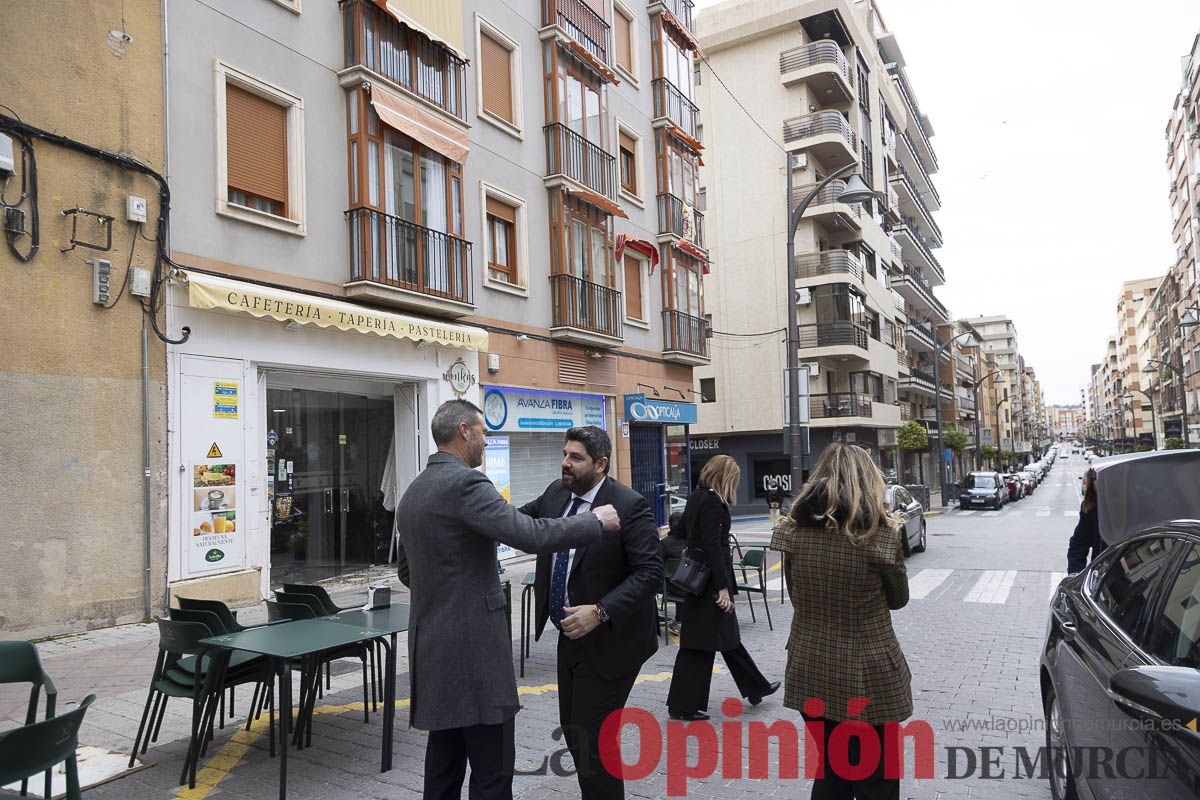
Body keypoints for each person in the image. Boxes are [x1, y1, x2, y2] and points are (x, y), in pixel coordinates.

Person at [395, 401, 621, 800]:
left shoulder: (414, 490)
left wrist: (449, 592)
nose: (486, 441)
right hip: (475, 655)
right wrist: (593, 522)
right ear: (464, 431)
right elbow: (529, 534)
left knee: (443, 768)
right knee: (492, 771)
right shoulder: (467, 484)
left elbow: (407, 572)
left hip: (432, 651)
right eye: (483, 432)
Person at [521, 426, 662, 800]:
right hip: (571, 635)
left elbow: (651, 574)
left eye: (575, 458)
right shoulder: (556, 493)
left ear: (600, 464)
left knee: (593, 738)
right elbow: (519, 523)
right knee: (575, 730)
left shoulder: (630, 506)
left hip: (613, 640)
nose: (565, 463)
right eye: (565, 454)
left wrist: (600, 612)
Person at [771, 443, 911, 800]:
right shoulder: (880, 537)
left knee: (831, 769)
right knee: (875, 777)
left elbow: (797, 595)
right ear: (870, 482)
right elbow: (898, 600)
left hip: (810, 666)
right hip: (868, 674)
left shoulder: (793, 533)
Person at [666, 455, 779, 721]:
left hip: (697, 579)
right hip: (710, 583)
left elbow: (683, 531)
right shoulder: (714, 502)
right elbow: (714, 546)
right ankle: (683, 705)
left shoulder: (695, 497)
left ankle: (755, 687)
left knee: (725, 636)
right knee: (701, 644)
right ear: (725, 476)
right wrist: (723, 588)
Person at [1066, 468, 1105, 574]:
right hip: (1103, 576)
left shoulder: (1135, 504)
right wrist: (1075, 575)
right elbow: (1079, 544)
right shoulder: (1092, 508)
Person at [661, 512, 687, 636]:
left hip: (671, 586)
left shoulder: (665, 543)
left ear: (670, 526)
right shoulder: (690, 542)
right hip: (692, 585)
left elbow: (657, 565)